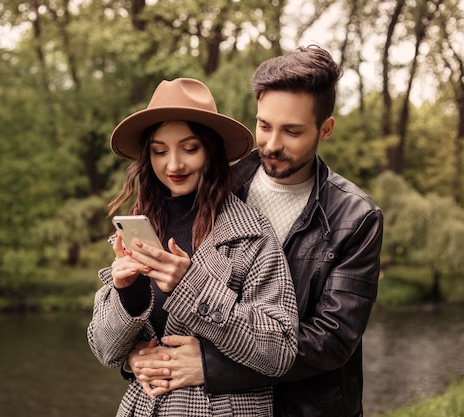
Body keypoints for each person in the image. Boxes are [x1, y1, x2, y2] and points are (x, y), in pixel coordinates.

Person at [126, 46, 384, 417]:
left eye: (292, 131)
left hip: (307, 407)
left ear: (325, 129)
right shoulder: (215, 185)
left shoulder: (356, 217)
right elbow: (169, 302)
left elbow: (333, 338)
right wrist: (139, 355)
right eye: (264, 126)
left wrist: (214, 367)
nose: (273, 144)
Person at [87, 77, 299, 417]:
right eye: (159, 151)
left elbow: (280, 351)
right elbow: (104, 350)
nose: (173, 165)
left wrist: (191, 285)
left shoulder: (251, 234)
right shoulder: (139, 231)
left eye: (189, 148)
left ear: (211, 151)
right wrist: (129, 294)